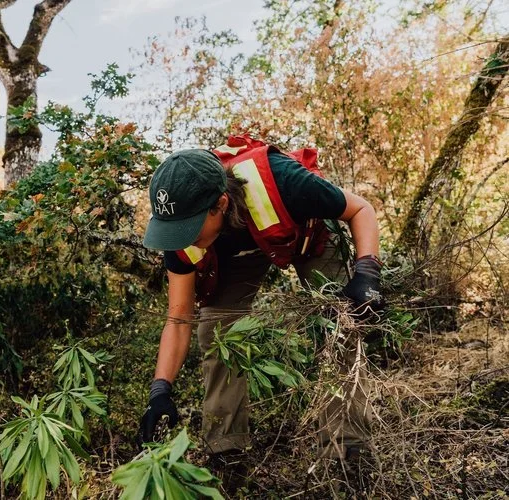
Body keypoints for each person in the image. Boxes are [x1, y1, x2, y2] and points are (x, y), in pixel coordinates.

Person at [138, 134, 384, 465]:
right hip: (234, 254)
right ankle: (225, 451)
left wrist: (367, 273)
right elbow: (179, 317)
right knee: (216, 331)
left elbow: (361, 209)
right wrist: (160, 390)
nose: (182, 237)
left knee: (338, 320)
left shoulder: (286, 180)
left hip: (304, 234)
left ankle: (347, 449)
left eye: (190, 227)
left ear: (221, 204)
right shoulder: (178, 232)